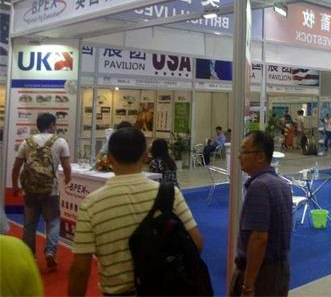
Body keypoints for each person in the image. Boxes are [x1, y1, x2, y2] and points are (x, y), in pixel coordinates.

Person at [68, 127, 203, 296]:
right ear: (145, 156)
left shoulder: (91, 204)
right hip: (163, 290)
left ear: (109, 159)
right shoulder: (170, 194)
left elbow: (80, 269)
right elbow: (196, 243)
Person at [231, 131, 292, 297]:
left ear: (260, 157)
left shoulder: (259, 187)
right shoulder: (282, 184)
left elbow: (259, 239)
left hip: (262, 275)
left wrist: (248, 286)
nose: (239, 156)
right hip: (279, 271)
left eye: (244, 151)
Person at [11, 113, 71, 270]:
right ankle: (50, 251)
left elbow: (16, 167)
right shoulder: (60, 141)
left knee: (29, 224)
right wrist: (67, 179)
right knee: (53, 221)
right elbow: (66, 166)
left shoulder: (27, 142)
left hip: (30, 189)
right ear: (51, 125)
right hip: (51, 190)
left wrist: (15, 186)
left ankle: (29, 255)